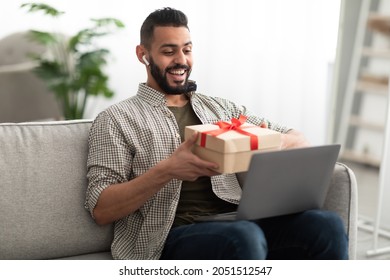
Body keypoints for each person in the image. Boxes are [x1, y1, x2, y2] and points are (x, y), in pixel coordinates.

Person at [85, 7, 348, 260]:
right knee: (243, 236)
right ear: (143, 54)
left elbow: (298, 140)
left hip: (238, 221)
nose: (181, 60)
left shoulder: (222, 110)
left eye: (187, 50)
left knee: (326, 225)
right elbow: (101, 208)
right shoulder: (116, 119)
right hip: (170, 236)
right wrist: (168, 170)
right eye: (168, 51)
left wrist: (257, 141)